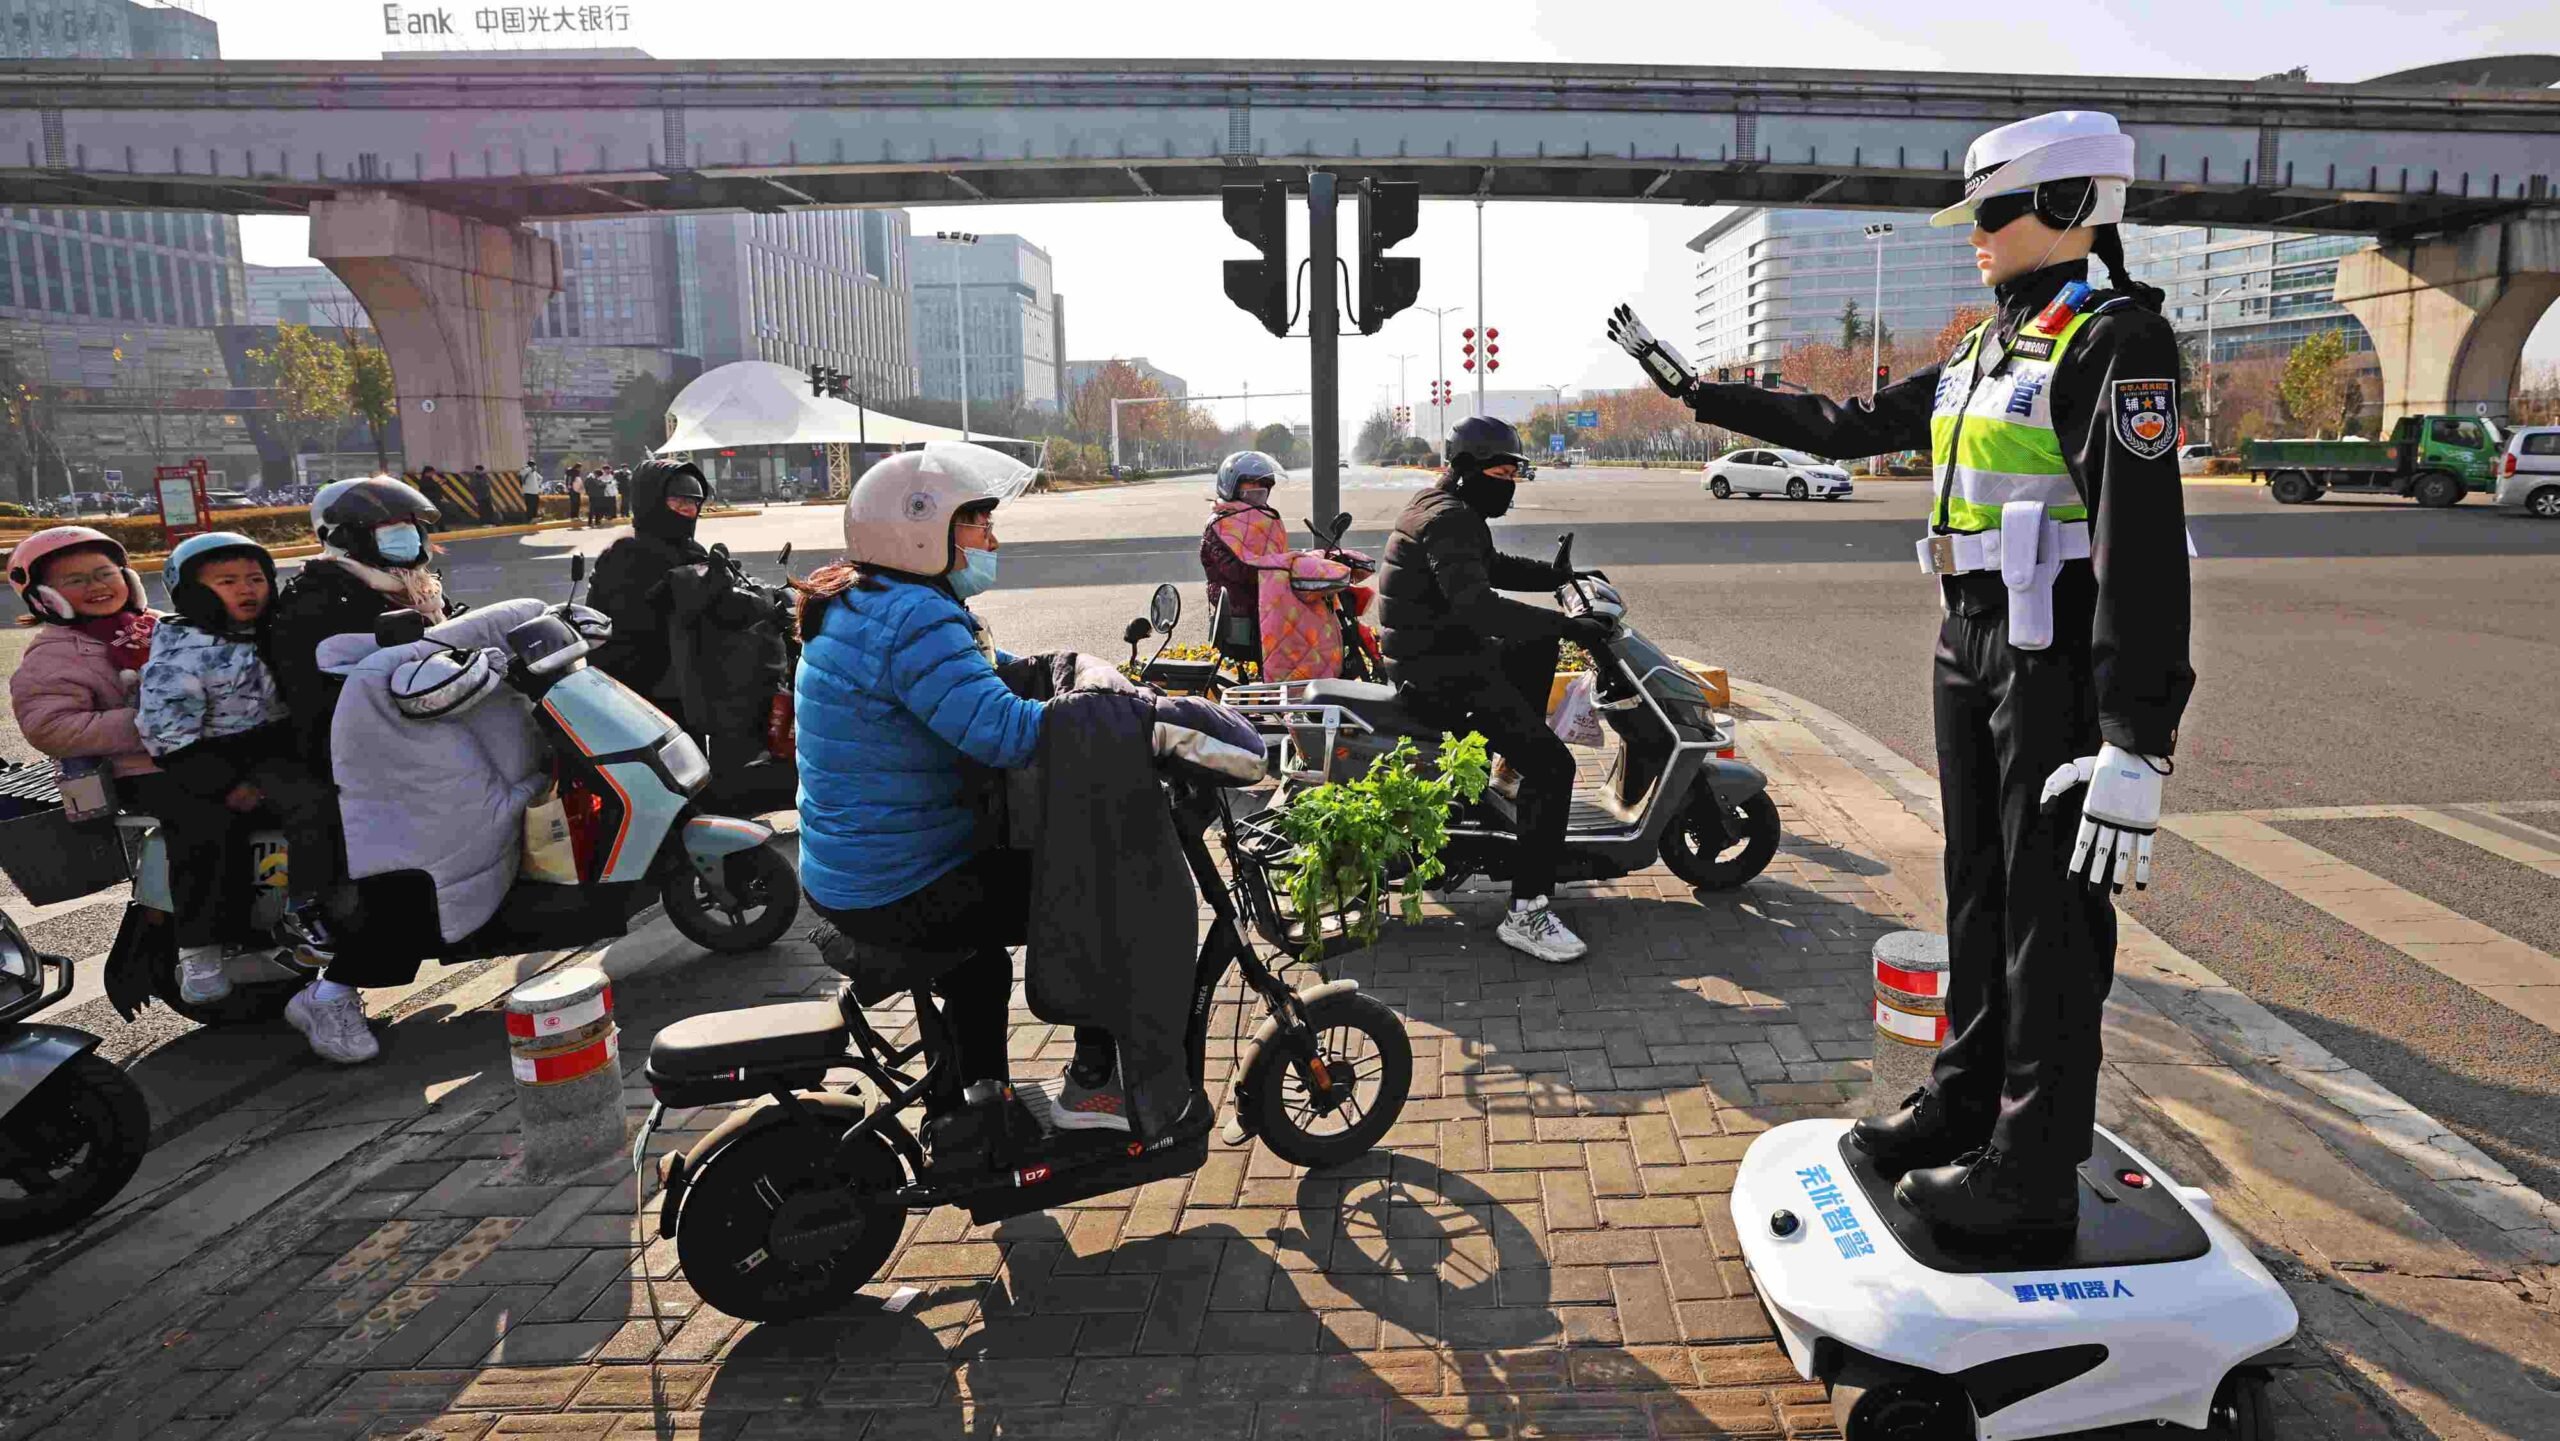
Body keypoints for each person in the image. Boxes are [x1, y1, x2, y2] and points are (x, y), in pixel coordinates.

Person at [1610, 110, 2192, 1237]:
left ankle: (2027, 1168)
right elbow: (1855, 421)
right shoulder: (1991, 343)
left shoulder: (2114, 339)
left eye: (1994, 212)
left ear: (2071, 207)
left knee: (2048, 919)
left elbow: (2144, 540)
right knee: (1976, 890)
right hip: (1968, 640)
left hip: (2053, 653)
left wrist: (2134, 735)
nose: (1974, 234)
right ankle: (1967, 1101)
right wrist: (1706, 394)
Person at [794, 443, 1127, 1130]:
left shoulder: (866, 598)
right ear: (924, 529)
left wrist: (1050, 670)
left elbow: (979, 668)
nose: (993, 541)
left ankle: (972, 1106)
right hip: (898, 881)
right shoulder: (914, 619)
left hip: (849, 873)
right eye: (979, 526)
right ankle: (1092, 1086)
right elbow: (1005, 731)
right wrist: (1102, 720)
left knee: (981, 966)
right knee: (1088, 895)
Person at [1374, 416, 1613, 966]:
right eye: (1503, 472)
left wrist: (1556, 578)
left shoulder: (1443, 508)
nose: (1509, 482)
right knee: (1555, 768)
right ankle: (1527, 912)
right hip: (1441, 676)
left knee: (1531, 646)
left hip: (1439, 659)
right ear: (1470, 471)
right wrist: (1569, 627)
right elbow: (1476, 605)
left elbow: (1486, 569)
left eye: (1513, 472)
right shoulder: (1451, 519)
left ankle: (1507, 769)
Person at [137, 532, 374, 1064]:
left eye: (255, 578)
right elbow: (168, 734)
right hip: (201, 756)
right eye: (226, 582)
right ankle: (198, 948)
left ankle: (307, 904)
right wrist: (223, 784)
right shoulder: (182, 649)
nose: (247, 589)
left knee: (321, 804)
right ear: (191, 592)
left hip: (273, 750)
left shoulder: (272, 632)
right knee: (203, 837)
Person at [264, 476, 451, 784]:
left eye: (408, 522)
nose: (406, 532)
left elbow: (458, 630)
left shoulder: (421, 588)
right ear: (343, 535)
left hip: (431, 729)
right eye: (387, 524)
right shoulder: (318, 597)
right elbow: (319, 695)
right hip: (364, 758)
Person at [1198, 450, 1373, 681]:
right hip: (1244, 608)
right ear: (1231, 485)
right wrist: (1294, 564)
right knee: (1306, 630)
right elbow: (1243, 570)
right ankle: (1300, 688)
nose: (1258, 489)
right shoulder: (1220, 526)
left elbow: (1276, 558)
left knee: (1320, 615)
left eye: (1264, 485)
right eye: (1252, 483)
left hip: (1274, 599)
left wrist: (1309, 560)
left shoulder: (1268, 518)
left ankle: (1324, 681)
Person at [588, 459, 713, 723]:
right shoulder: (624, 555)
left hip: (685, 681)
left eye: (693, 503)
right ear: (652, 501)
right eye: (678, 502)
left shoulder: (692, 550)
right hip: (636, 689)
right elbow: (631, 626)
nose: (688, 510)